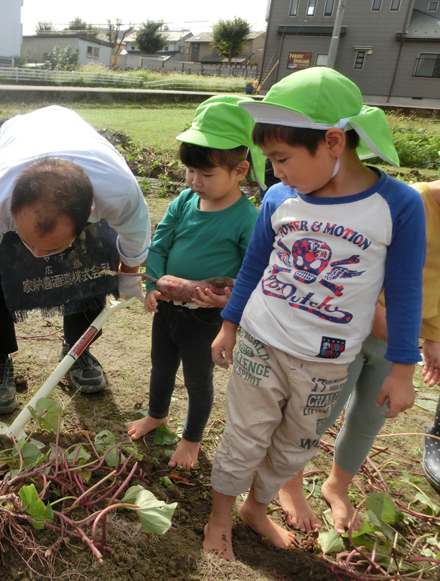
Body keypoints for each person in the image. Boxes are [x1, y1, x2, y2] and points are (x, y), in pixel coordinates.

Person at [203, 67, 426, 560]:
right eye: (270, 160)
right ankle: (219, 515)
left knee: (295, 446)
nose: (275, 173)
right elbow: (254, 268)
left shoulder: (398, 205)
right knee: (244, 437)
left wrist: (404, 370)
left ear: (331, 142)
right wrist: (229, 325)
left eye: (281, 159)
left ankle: (255, 508)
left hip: (328, 361)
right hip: (263, 341)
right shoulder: (281, 199)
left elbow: (406, 292)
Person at [0, 105, 150, 420]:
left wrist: (129, 276)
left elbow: (135, 236)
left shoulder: (118, 191)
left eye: (53, 247)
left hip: (77, 144)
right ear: (11, 209)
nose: (39, 257)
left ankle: (78, 348)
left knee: (91, 257)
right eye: (29, 241)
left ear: (88, 216)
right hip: (9, 139)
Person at [278, 178, 440, 532]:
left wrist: (433, 336)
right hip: (350, 332)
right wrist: (373, 310)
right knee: (320, 410)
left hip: (397, 343)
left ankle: (337, 485)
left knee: (370, 417)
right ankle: (290, 481)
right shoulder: (409, 201)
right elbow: (352, 256)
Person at [127, 97, 261, 470]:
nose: (194, 181)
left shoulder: (246, 219)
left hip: (206, 319)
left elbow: (252, 272)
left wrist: (226, 303)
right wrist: (154, 284)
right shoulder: (184, 201)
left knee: (198, 381)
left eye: (206, 174)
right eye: (190, 171)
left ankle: (191, 439)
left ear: (239, 171)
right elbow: (162, 240)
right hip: (169, 309)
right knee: (160, 366)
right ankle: (157, 415)